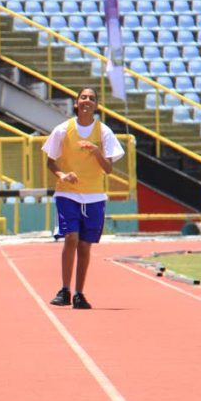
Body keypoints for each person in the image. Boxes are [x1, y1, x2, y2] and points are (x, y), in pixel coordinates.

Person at [41, 87, 124, 309]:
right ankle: (64, 289)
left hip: (94, 196)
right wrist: (62, 175)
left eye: (92, 98)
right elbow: (50, 161)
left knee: (85, 246)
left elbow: (108, 169)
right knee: (71, 238)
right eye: (83, 98)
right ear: (77, 103)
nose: (87, 101)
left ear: (96, 105)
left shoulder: (104, 132)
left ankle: (79, 293)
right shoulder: (62, 130)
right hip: (67, 194)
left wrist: (96, 151)